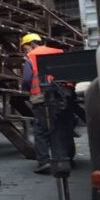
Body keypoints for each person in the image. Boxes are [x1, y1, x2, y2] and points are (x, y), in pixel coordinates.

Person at [20, 33, 76, 175]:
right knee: (64, 127)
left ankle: (44, 162)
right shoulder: (59, 52)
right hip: (65, 95)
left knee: (41, 130)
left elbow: (27, 80)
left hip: (42, 98)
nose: (25, 51)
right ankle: (67, 159)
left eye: (24, 48)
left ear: (31, 44)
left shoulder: (31, 56)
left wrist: (28, 90)